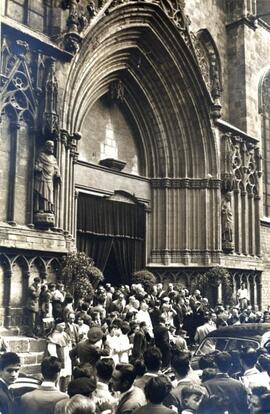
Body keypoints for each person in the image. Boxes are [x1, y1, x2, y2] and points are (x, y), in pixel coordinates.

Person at [34, 140, 61, 213]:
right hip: (42, 177)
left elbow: (56, 168)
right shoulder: (41, 155)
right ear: (47, 146)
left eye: (53, 146)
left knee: (49, 193)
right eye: (51, 146)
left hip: (50, 179)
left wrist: (58, 174)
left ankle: (49, 209)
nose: (52, 148)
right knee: (42, 193)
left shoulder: (53, 158)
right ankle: (41, 208)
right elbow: (36, 165)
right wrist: (38, 168)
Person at [46, 319, 72, 392]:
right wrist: (58, 361)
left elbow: (68, 345)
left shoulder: (64, 334)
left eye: (64, 325)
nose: (64, 327)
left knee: (66, 377)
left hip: (67, 359)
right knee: (58, 378)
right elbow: (52, 351)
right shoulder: (53, 337)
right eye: (62, 325)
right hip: (59, 359)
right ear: (57, 326)